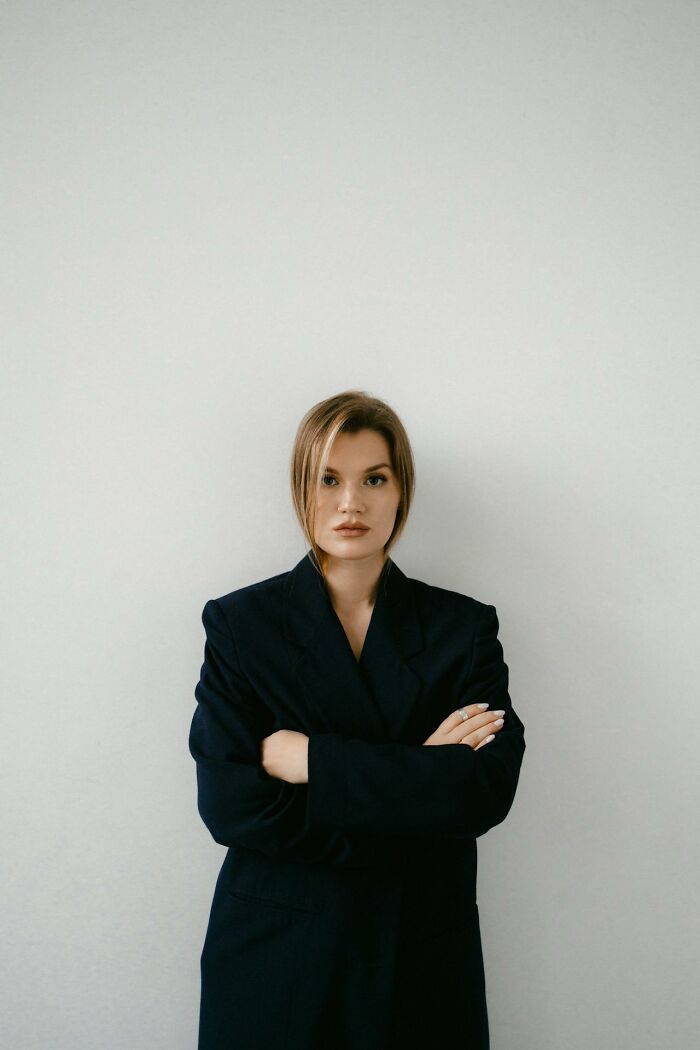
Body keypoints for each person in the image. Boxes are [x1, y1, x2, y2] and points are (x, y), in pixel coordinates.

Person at [189, 389, 526, 1049]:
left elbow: (484, 791)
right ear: (300, 487)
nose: (351, 502)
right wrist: (421, 778)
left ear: (401, 491)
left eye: (374, 478)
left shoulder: (461, 629)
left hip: (420, 960)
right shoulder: (240, 626)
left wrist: (314, 761)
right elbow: (232, 807)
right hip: (279, 963)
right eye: (329, 478)